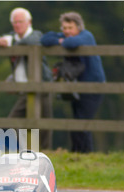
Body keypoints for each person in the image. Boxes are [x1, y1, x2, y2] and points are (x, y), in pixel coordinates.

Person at [41, 12, 106, 153]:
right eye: (64, 28)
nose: (67, 31)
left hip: (92, 86)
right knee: (77, 120)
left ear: (79, 27)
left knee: (83, 121)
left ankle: (86, 153)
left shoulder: (86, 36)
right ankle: (77, 152)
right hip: (76, 87)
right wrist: (61, 39)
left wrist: (62, 40)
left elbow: (72, 43)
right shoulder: (65, 36)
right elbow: (45, 39)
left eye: (70, 27)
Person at [0, 7, 53, 149]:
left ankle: (45, 152)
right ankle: (25, 150)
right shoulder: (13, 37)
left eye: (20, 22)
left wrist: (11, 42)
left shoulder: (35, 34)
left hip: (42, 85)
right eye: (15, 22)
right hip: (25, 89)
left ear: (29, 22)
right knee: (15, 121)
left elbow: (32, 41)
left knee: (44, 122)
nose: (17, 25)